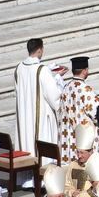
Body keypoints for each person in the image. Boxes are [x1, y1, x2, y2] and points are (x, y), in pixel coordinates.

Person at [15, 37, 63, 174]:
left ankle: (26, 178)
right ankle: (43, 178)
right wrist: (58, 79)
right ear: (40, 50)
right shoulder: (42, 70)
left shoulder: (19, 68)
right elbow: (53, 96)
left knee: (27, 142)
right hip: (40, 117)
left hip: (25, 116)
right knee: (42, 142)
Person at [59, 56, 99, 163]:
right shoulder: (85, 90)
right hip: (84, 138)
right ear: (85, 71)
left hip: (69, 135)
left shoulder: (66, 87)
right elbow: (97, 113)